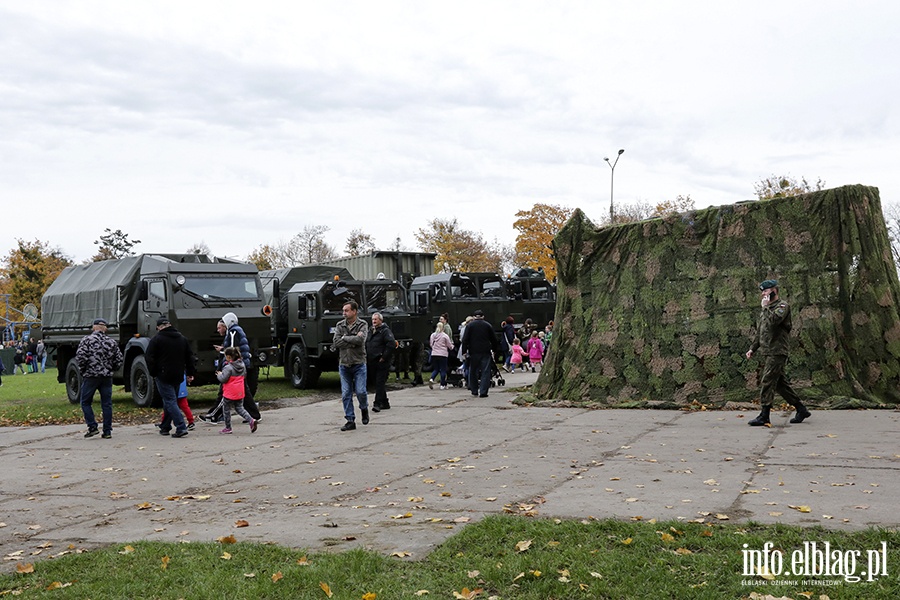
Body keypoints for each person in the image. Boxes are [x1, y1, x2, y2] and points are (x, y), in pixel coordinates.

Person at [745, 279, 811, 427]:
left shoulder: (782, 306)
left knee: (767, 380)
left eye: (766, 291)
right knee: (780, 384)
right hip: (768, 350)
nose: (763, 293)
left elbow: (774, 321)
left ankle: (764, 415)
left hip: (778, 351)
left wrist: (766, 308)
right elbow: (761, 330)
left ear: (774, 290)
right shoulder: (766, 309)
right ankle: (801, 409)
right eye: (762, 291)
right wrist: (752, 348)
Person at [146, 317, 196, 438]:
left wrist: (153, 372)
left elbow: (149, 357)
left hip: (163, 374)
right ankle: (165, 427)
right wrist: (190, 373)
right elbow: (190, 357)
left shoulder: (156, 340)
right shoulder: (182, 339)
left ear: (159, 327)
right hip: (178, 374)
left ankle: (181, 426)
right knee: (169, 400)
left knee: (170, 401)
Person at [75, 318, 124, 439]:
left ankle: (92, 426)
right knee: (106, 404)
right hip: (106, 377)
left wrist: (83, 370)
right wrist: (111, 369)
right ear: (105, 328)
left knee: (85, 402)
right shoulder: (111, 342)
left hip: (91, 376)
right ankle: (107, 431)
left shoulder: (87, 340)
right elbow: (119, 359)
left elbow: (80, 357)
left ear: (93, 327)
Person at [216, 313, 261, 421]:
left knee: (226, 390)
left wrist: (223, 352)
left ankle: (215, 415)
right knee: (244, 391)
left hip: (235, 367)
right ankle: (253, 414)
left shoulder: (233, 332)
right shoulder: (238, 330)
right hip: (241, 365)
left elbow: (232, 349)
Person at [332, 300, 368, 431]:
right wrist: (352, 340)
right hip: (344, 364)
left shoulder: (362, 324)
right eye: (343, 311)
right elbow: (336, 342)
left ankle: (364, 408)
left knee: (361, 391)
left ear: (354, 311)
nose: (344, 313)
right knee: (346, 393)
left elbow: (361, 340)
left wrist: (345, 338)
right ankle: (350, 420)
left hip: (359, 363)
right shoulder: (340, 325)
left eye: (346, 311)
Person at [216, 347, 257, 434]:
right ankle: (251, 420)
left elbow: (223, 379)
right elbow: (244, 375)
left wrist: (219, 375)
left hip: (229, 392)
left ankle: (228, 427)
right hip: (239, 391)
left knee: (226, 409)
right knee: (240, 408)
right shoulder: (242, 365)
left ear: (229, 357)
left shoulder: (228, 368)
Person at [460, 309, 499, 398]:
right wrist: (495, 349)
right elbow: (494, 339)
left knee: (473, 371)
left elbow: (465, 339)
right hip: (485, 351)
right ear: (483, 317)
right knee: (485, 371)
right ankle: (483, 391)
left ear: (474, 317)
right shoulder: (487, 325)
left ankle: (474, 390)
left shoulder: (469, 326)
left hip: (473, 351)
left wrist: (464, 351)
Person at [366, 312, 395, 412]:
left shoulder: (385, 331)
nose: (374, 321)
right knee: (377, 383)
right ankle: (385, 402)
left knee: (379, 382)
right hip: (371, 361)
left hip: (381, 362)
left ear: (380, 320)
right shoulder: (370, 330)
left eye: (376, 319)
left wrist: (384, 357)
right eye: (373, 319)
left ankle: (377, 403)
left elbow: (391, 344)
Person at [428, 322, 454, 389]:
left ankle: (432, 379)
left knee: (436, 369)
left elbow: (431, 344)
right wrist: (452, 346)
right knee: (443, 369)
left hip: (434, 354)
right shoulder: (445, 336)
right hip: (443, 354)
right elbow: (449, 346)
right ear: (443, 328)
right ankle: (442, 385)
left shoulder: (433, 335)